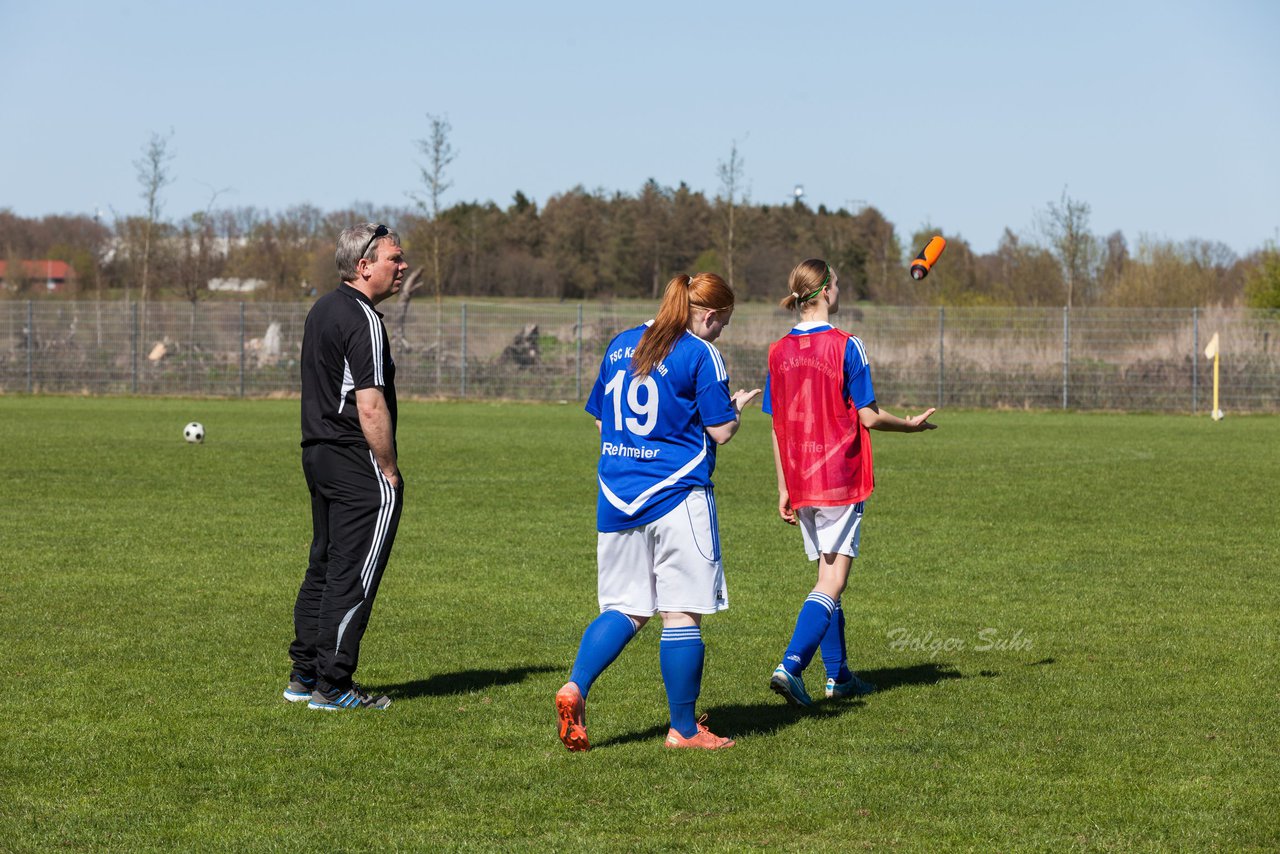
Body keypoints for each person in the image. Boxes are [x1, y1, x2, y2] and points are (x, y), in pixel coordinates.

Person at [556, 273, 761, 751]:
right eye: (722, 323)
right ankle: (684, 729)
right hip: (677, 496)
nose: (720, 333)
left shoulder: (621, 344)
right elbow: (721, 432)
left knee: (625, 607)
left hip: (617, 495)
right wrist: (735, 409)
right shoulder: (700, 352)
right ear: (709, 315)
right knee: (681, 614)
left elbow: (603, 419)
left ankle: (576, 686)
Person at [764, 258, 937, 707]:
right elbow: (869, 416)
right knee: (833, 582)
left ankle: (838, 677)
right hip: (839, 475)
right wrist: (911, 426)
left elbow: (777, 425)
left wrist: (783, 484)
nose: (840, 290)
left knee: (825, 575)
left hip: (801, 476)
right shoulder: (847, 345)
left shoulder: (778, 350)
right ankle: (791, 666)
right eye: (836, 283)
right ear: (823, 291)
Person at [284, 223, 409, 711]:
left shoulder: (322, 308)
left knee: (325, 564)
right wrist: (390, 470)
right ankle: (332, 685)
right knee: (352, 573)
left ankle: (304, 675)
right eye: (394, 259)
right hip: (354, 458)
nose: (402, 267)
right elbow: (370, 403)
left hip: (316, 453)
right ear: (365, 266)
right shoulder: (364, 320)